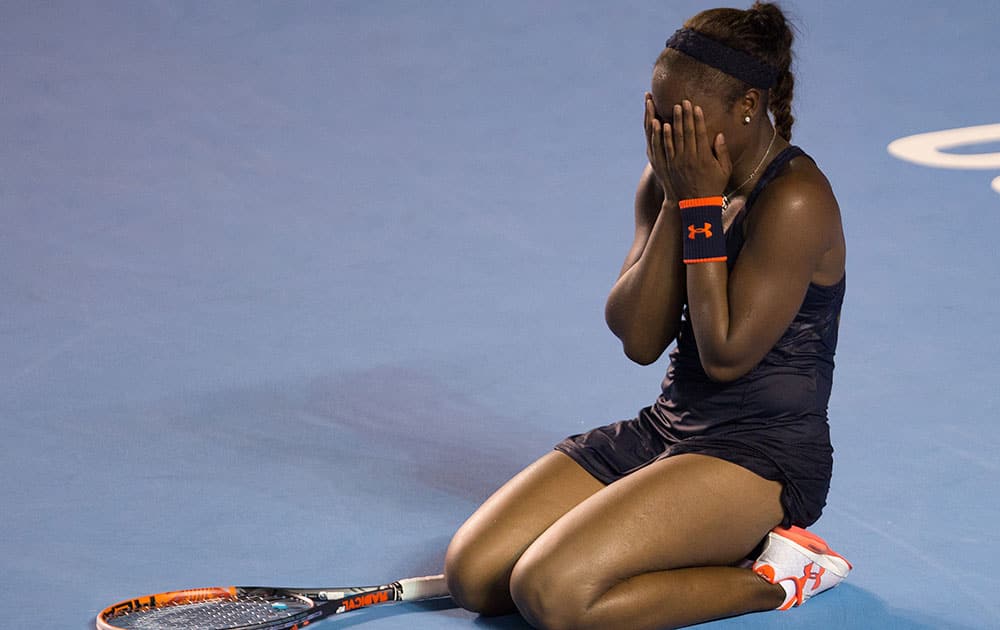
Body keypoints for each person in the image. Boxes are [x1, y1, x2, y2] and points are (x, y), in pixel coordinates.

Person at [444, 3, 851, 628]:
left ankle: (774, 576)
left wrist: (696, 206)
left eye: (681, 119)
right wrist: (676, 201)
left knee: (552, 593)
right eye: (656, 114)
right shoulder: (672, 177)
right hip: (666, 430)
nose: (665, 134)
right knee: (473, 576)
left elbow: (723, 356)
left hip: (759, 457)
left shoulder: (796, 200)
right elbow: (638, 337)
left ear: (747, 104)